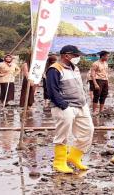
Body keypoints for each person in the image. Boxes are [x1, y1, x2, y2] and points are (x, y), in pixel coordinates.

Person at [46, 45, 94, 173]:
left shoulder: (75, 68)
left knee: (88, 131)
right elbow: (52, 91)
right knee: (63, 134)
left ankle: (74, 157)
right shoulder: (54, 69)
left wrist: (84, 101)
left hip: (81, 105)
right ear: (66, 56)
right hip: (64, 106)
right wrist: (64, 105)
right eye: (76, 55)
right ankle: (59, 162)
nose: (78, 58)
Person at [90, 51, 110, 116]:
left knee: (104, 95)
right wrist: (95, 84)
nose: (108, 57)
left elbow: (106, 73)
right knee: (97, 95)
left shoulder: (106, 63)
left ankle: (101, 110)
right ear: (102, 56)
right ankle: (94, 111)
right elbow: (92, 74)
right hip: (98, 80)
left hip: (105, 80)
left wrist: (108, 82)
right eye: (107, 56)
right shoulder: (95, 63)